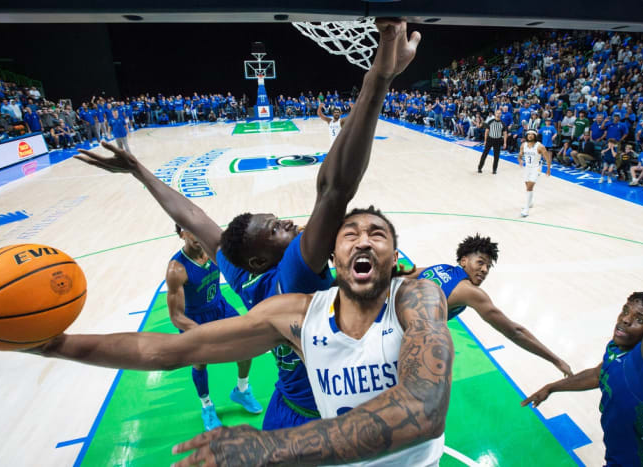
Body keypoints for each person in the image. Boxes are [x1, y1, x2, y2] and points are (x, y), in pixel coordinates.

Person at [75, 18, 421, 430]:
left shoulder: (241, 274)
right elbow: (334, 188)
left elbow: (191, 216)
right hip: (323, 418)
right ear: (261, 259)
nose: (289, 225)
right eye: (275, 230)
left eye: (278, 221)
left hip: (285, 405)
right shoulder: (294, 273)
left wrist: (139, 170)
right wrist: (377, 80)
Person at [0, 207, 454, 467]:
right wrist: (49, 344)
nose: (363, 239)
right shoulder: (292, 313)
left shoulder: (417, 298)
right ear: (332, 252)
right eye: (349, 233)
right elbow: (166, 350)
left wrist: (272, 447)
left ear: (395, 257)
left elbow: (423, 411)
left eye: (378, 234)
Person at [522, 278, 643, 466]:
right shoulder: (616, 349)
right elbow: (597, 374)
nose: (625, 319)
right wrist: (552, 387)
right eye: (625, 311)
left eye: (640, 320)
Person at [408, 234, 572, 376]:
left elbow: (399, 276)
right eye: (480, 262)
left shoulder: (440, 268)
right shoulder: (470, 292)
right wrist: (555, 360)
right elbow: (514, 332)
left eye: (488, 266)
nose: (485, 269)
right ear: (464, 261)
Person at [167, 224, 262, 430]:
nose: (196, 233)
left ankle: (242, 390)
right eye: (188, 229)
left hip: (220, 307)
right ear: (181, 233)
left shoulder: (214, 252)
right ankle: (207, 406)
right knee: (200, 363)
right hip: (194, 318)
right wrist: (201, 333)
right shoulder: (177, 269)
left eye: (196, 228)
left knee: (247, 345)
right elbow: (176, 316)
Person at [518, 129, 551, 218]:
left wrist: (548, 169)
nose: (530, 135)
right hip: (527, 167)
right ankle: (531, 202)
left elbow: (547, 158)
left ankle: (526, 209)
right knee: (527, 186)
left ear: (535, 136)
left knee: (529, 187)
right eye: (529, 134)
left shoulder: (540, 146)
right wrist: (520, 159)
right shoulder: (523, 145)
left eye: (532, 134)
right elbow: (520, 154)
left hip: (536, 168)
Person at [477, 108, 507, 174]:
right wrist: (485, 140)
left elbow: (505, 134)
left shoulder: (503, 123)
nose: (498, 114)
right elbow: (486, 131)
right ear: (495, 114)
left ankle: (494, 170)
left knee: (496, 156)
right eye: (497, 113)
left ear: (501, 114)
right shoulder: (490, 121)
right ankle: (479, 168)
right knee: (484, 154)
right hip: (490, 139)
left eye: (499, 113)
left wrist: (505, 143)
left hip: (498, 140)